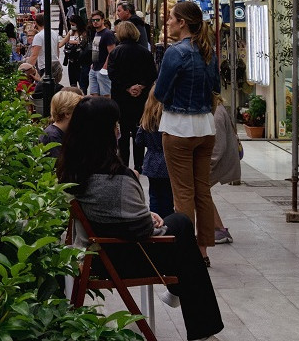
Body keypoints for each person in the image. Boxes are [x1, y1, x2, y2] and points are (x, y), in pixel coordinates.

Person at [59, 95, 224, 340]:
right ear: (105, 131)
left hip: (100, 253)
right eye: (114, 124)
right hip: (124, 257)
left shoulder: (71, 170)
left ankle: (180, 298)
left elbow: (121, 216)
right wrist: (152, 222)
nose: (118, 129)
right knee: (183, 230)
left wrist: (148, 217)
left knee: (178, 223)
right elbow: (142, 231)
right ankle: (199, 323)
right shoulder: (117, 179)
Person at [153, 0, 221, 264]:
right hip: (205, 126)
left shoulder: (175, 52)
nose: (167, 21)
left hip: (179, 127)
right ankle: (203, 250)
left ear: (182, 22)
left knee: (182, 192)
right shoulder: (208, 52)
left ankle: (187, 251)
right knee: (202, 191)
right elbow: (215, 86)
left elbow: (160, 92)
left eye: (171, 17)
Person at [107, 20, 157, 171]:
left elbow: (112, 74)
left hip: (122, 97)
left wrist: (127, 88)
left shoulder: (116, 52)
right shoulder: (145, 52)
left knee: (123, 130)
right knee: (138, 130)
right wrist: (140, 86)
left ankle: (123, 162)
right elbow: (152, 74)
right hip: (140, 98)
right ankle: (139, 164)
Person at [210, 94, 241, 244]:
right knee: (198, 192)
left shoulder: (216, 113)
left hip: (221, 162)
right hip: (223, 159)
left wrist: (204, 168)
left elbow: (218, 149)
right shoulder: (217, 108)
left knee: (196, 190)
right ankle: (218, 229)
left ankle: (219, 229)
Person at [138, 93, 175, 217]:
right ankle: (168, 223)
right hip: (166, 161)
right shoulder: (167, 118)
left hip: (151, 161)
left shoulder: (146, 118)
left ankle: (155, 220)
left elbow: (139, 140)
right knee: (168, 197)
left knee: (154, 195)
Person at [39, 86, 82, 157]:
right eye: (78, 111)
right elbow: (60, 164)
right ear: (67, 114)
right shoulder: (52, 136)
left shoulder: (61, 131)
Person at [87, 10, 116, 96]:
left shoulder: (107, 34)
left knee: (106, 95)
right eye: (93, 20)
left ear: (103, 20)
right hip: (94, 67)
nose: (95, 22)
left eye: (97, 20)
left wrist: (105, 67)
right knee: (93, 94)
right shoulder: (96, 33)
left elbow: (111, 52)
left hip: (102, 69)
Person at [63, 15, 91, 92]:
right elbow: (61, 43)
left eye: (73, 25)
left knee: (82, 85)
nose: (72, 26)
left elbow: (85, 43)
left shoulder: (85, 32)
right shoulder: (71, 32)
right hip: (72, 60)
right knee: (73, 84)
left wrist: (75, 42)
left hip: (81, 61)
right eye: (71, 25)